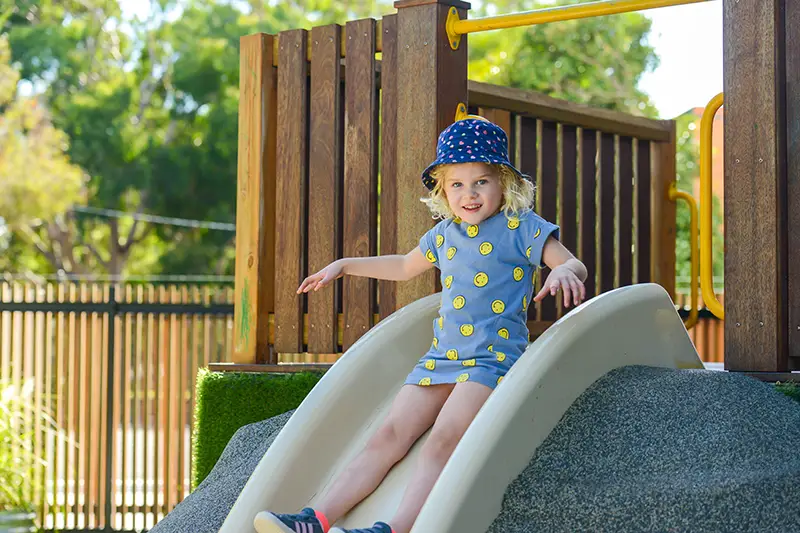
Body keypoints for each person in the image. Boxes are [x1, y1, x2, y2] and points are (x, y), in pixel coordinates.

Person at [254, 117, 587, 533]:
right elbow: (403, 266)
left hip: (491, 359)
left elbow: (572, 262)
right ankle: (316, 519)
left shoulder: (522, 227)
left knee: (444, 437)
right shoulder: (444, 235)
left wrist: (564, 273)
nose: (469, 194)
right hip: (441, 357)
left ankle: (397, 528)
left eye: (481, 181)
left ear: (503, 182)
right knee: (389, 434)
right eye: (457, 184)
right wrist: (344, 265)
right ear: (444, 191)